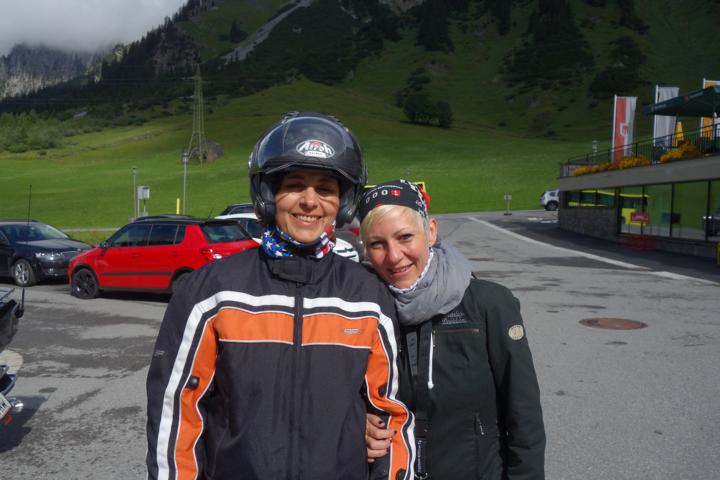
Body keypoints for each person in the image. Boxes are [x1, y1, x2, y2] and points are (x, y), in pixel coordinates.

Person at [146, 114, 415, 480]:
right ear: (268, 195)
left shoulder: (367, 297)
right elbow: (177, 411)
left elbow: (391, 414)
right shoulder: (212, 291)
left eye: (325, 189)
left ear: (343, 203)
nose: (310, 201)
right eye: (294, 185)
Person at [359, 179, 546, 479]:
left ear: (431, 231)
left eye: (405, 237)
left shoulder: (489, 304)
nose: (393, 256)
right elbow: (339, 393)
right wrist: (358, 423)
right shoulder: (362, 309)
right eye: (377, 244)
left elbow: (524, 416)